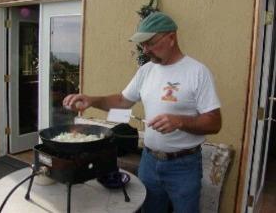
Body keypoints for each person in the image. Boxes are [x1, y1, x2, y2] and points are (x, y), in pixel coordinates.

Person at [63, 12, 222, 213]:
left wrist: (180, 121)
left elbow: (215, 123)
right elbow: (122, 100)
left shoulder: (197, 72)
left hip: (184, 166)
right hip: (149, 162)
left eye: (150, 43)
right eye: (142, 44)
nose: (145, 49)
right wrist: (92, 100)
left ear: (171, 38)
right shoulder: (146, 70)